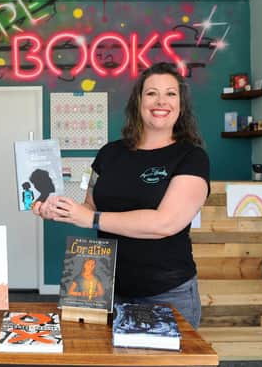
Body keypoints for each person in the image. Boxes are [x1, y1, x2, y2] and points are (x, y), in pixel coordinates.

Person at [33, 62, 209, 328]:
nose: (161, 101)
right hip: (105, 290)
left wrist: (91, 219)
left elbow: (165, 223)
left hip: (167, 293)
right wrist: (56, 210)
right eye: (151, 93)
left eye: (170, 94)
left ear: (181, 105)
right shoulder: (109, 154)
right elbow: (89, 206)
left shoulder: (192, 157)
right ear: (138, 101)